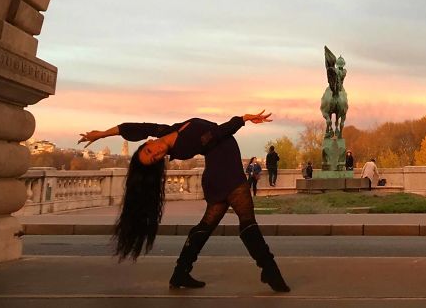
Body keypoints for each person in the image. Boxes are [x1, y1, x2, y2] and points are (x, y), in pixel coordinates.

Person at [78, 111, 289, 293]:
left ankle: (180, 273)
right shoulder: (183, 148)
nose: (156, 152)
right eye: (154, 158)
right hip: (227, 174)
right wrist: (242, 118)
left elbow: (136, 127)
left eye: (149, 151)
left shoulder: (163, 131)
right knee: (246, 220)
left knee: (207, 225)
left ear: (148, 143)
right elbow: (218, 133)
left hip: (220, 173)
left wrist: (102, 134)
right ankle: (270, 271)